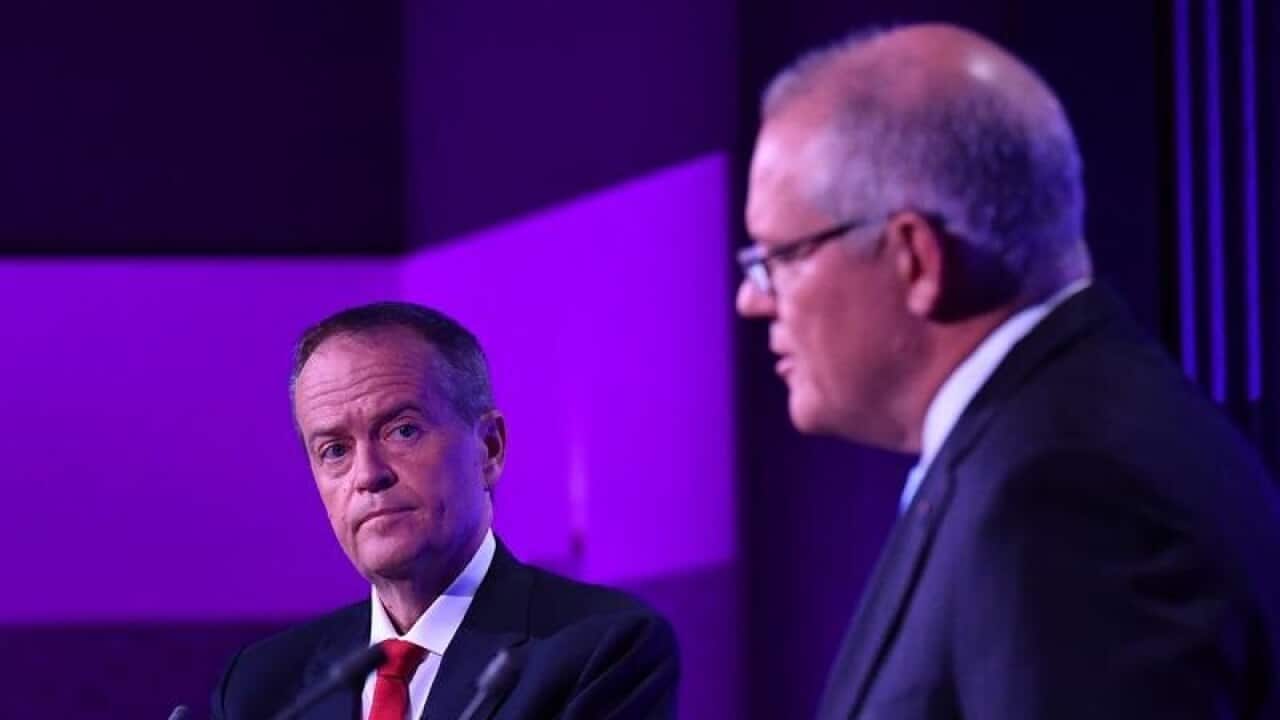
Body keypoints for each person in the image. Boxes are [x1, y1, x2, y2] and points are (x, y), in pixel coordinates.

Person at [736, 22, 1280, 719]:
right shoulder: (1048, 445)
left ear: (914, 258)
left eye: (778, 257)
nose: (753, 299)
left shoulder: (1063, 492)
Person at [211, 302, 678, 720]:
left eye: (403, 431)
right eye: (335, 450)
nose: (368, 474)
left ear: (489, 449)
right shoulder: (263, 689)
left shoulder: (600, 650)